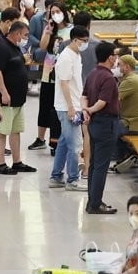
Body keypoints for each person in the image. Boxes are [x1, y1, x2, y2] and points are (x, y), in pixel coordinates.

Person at [0, 17, 36, 174]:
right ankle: (1, 164)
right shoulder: (1, 47)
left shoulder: (15, 47)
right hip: (6, 100)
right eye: (24, 35)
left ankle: (17, 161)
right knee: (2, 131)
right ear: (16, 33)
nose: (25, 39)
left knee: (15, 130)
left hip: (18, 100)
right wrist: (3, 92)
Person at [81, 42, 122, 215]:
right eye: (114, 55)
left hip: (94, 123)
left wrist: (85, 111)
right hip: (106, 123)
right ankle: (95, 203)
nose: (116, 58)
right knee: (101, 166)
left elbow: (84, 96)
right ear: (110, 57)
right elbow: (102, 102)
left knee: (94, 163)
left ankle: (92, 200)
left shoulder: (93, 74)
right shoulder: (108, 78)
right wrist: (90, 109)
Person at [49, 26, 88, 191]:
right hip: (67, 107)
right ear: (74, 40)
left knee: (64, 142)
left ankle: (56, 176)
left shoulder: (76, 55)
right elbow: (64, 83)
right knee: (75, 144)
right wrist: (71, 107)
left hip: (74, 104)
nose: (85, 44)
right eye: (83, 41)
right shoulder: (66, 57)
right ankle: (72, 179)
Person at [32, 1, 73, 153]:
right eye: (52, 12)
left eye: (58, 11)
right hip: (49, 72)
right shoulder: (49, 29)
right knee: (45, 104)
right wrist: (47, 32)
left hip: (63, 73)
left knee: (59, 107)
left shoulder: (71, 30)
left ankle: (58, 139)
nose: (55, 15)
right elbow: (43, 47)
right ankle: (40, 137)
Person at [114, 54, 138, 169]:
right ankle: (127, 155)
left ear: (126, 67)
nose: (116, 68)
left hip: (134, 125)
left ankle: (123, 156)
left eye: (118, 65)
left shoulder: (130, 81)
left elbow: (112, 101)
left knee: (107, 128)